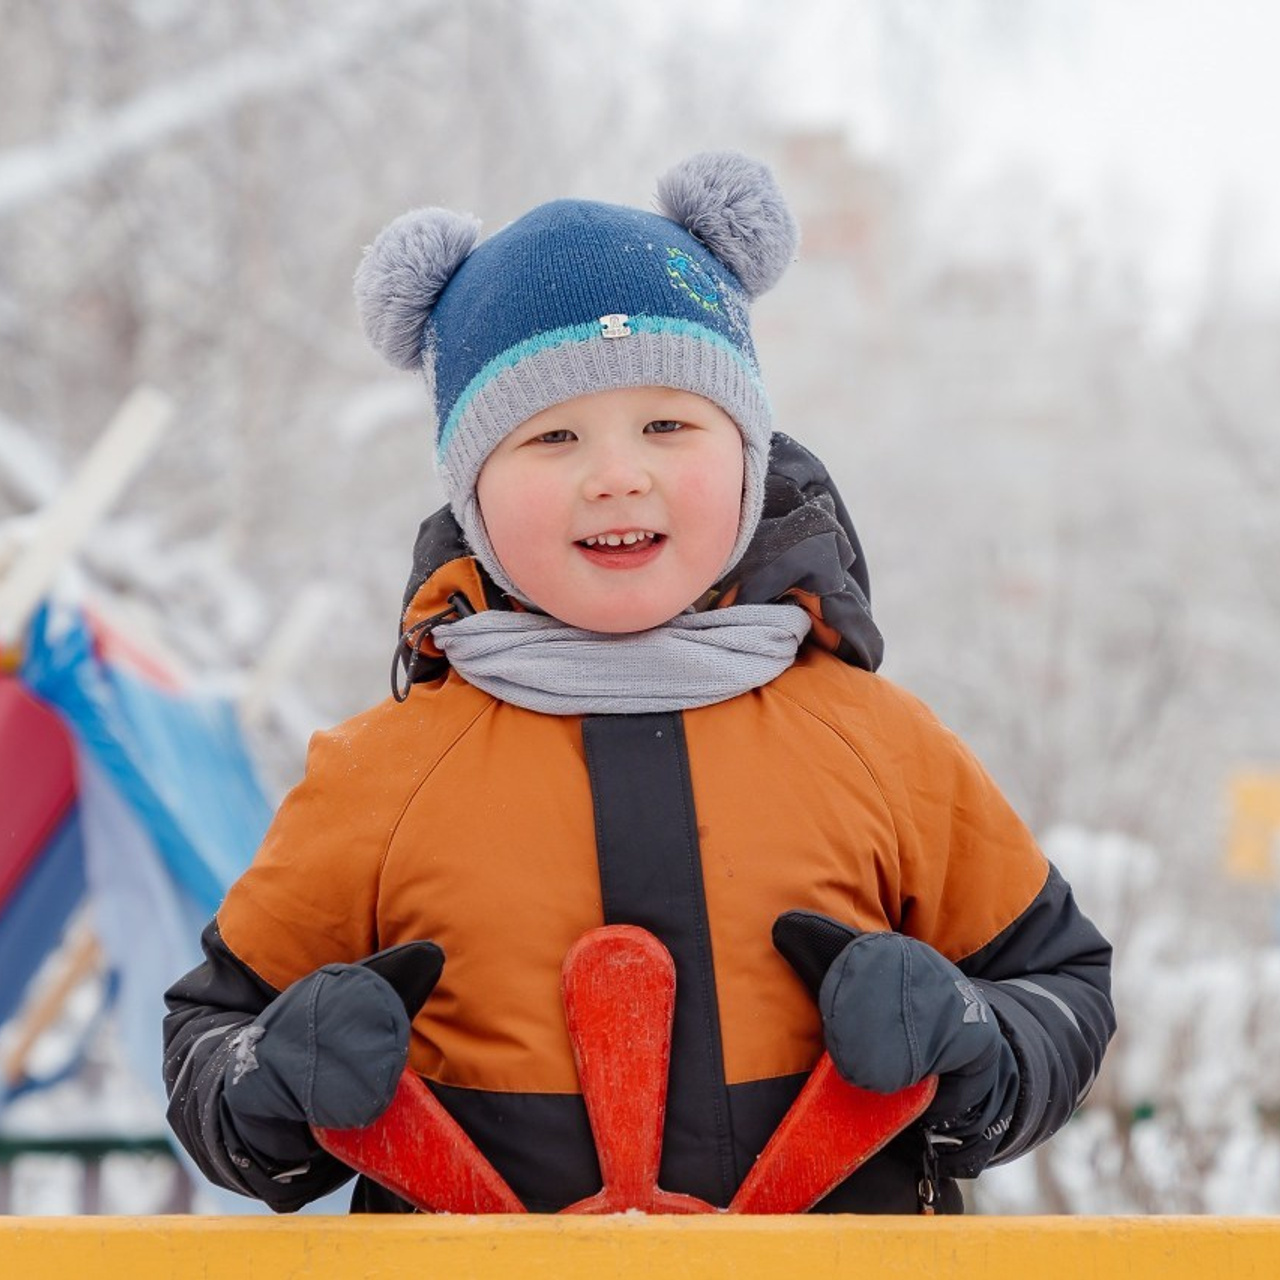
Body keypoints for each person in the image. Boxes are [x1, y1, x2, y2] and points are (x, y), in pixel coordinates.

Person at [163, 152, 1114, 1215]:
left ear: (749, 454)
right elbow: (209, 1039)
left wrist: (968, 1045)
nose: (615, 472)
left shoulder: (878, 746)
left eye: (667, 424)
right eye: (551, 434)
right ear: (472, 491)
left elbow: (1061, 985)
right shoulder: (381, 774)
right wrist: (278, 1079)